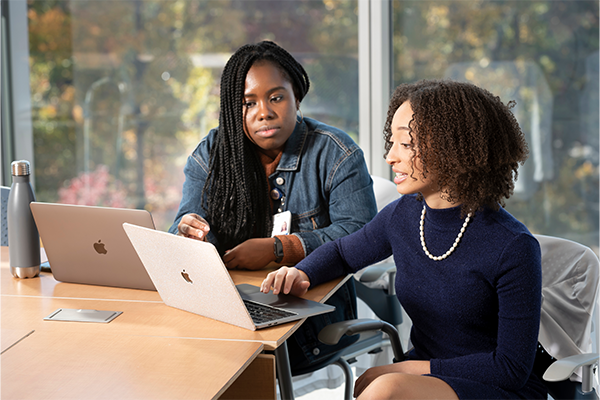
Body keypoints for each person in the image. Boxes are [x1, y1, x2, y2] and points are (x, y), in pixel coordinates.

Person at [261, 79, 547, 399]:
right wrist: (303, 273)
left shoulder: (514, 247)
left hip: (497, 387)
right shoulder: (404, 215)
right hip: (426, 375)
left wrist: (405, 369)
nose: (390, 157)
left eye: (406, 144)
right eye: (392, 142)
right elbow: (343, 253)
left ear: (452, 148)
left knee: (387, 388)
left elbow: (510, 368)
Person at [169, 41, 377, 369]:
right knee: (175, 350)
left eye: (276, 97)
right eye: (248, 103)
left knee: (214, 362)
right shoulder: (213, 153)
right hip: (225, 310)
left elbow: (361, 234)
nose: (263, 112)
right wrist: (188, 232)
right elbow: (181, 225)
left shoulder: (336, 153)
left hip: (310, 327)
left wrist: (277, 249)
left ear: (297, 96)